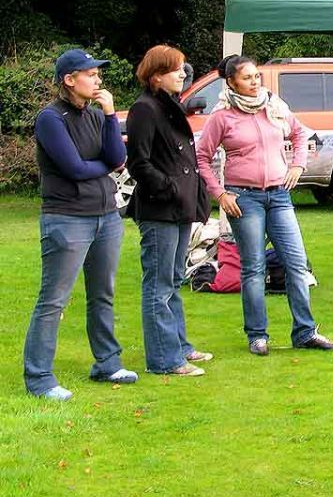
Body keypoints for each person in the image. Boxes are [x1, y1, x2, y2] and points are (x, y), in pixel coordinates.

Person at [196, 55, 333, 355]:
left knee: (296, 264)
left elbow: (301, 134)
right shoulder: (222, 117)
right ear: (231, 82)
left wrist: (298, 166)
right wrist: (221, 195)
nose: (255, 81)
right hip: (243, 199)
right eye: (247, 78)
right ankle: (257, 335)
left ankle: (305, 332)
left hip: (279, 196)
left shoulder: (274, 107)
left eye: (256, 76)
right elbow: (202, 158)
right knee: (253, 268)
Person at [24, 49, 139, 400]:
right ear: (69, 79)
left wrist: (108, 115)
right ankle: (40, 377)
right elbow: (74, 168)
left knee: (103, 293)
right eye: (91, 74)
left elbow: (118, 158)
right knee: (54, 300)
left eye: (98, 74)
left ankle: (107, 363)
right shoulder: (50, 118)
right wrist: (102, 167)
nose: (98, 79)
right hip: (66, 217)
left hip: (106, 215)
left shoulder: (94, 114)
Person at [126, 45, 214, 376]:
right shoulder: (145, 109)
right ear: (156, 76)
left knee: (174, 279)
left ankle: (179, 346)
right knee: (159, 284)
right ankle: (164, 359)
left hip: (179, 208)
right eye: (176, 69)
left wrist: (194, 196)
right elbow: (139, 163)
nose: (183, 74)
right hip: (159, 210)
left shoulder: (168, 106)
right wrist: (170, 188)